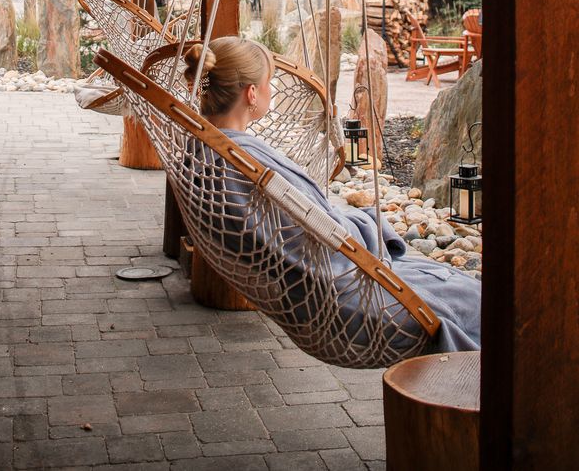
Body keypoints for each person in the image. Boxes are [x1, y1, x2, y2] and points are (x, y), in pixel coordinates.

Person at [183, 36, 481, 355]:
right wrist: (366, 227)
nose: (270, 89)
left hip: (307, 287)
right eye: (268, 82)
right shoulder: (241, 166)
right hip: (341, 297)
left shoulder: (207, 150)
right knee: (472, 301)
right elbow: (323, 242)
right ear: (252, 94)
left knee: (458, 286)